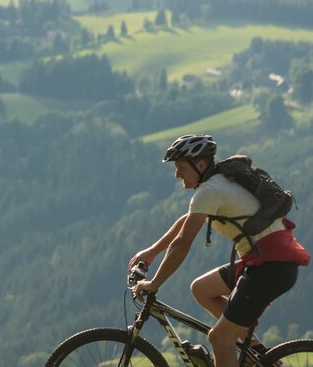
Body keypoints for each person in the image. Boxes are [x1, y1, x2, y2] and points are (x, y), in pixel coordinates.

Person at [128, 134, 308, 367]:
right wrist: (152, 251)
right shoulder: (221, 182)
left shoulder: (210, 190)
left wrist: (154, 284)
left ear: (200, 164)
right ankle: (256, 353)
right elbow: (187, 220)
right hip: (267, 260)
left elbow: (182, 244)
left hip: (270, 268)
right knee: (202, 289)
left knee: (219, 338)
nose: (177, 174)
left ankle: (242, 347)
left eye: (181, 167)